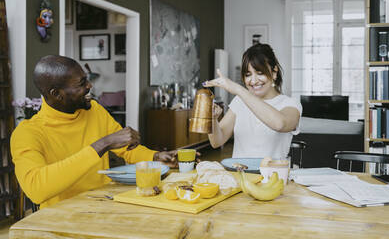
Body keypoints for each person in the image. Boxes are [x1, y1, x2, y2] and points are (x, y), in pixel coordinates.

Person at [10, 55, 177, 209]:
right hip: (61, 218)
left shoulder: (94, 110)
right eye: (81, 84)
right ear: (57, 94)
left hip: (105, 205)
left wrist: (155, 157)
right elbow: (36, 189)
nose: (90, 86)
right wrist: (102, 144)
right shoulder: (28, 133)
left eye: (87, 80)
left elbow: (126, 149)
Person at [203, 43, 302, 160]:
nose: (254, 81)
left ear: (274, 72)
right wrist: (213, 119)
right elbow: (217, 142)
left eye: (260, 73)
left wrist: (238, 89)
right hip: (241, 175)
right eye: (248, 75)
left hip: (273, 176)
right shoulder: (240, 101)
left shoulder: (290, 104)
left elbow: (280, 124)